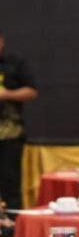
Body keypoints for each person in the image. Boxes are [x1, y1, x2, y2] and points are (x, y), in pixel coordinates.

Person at [0, 29, 38, 211]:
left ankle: (13, 222)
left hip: (10, 134)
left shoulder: (15, 63)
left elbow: (31, 91)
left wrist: (6, 94)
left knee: (10, 183)